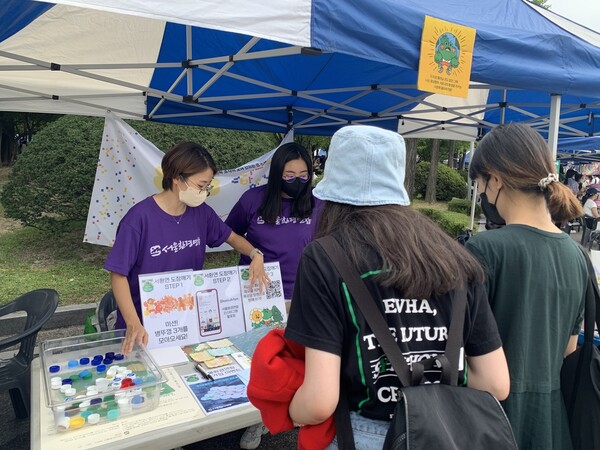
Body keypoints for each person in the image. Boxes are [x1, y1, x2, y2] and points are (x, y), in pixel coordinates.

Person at [284, 125, 509, 449]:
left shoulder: (324, 256)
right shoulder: (453, 257)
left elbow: (319, 401)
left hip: (366, 435)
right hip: (446, 433)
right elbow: (495, 383)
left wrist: (290, 411)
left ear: (332, 193)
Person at [465, 123, 586, 450]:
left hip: (490, 421)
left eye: (480, 183)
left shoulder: (485, 249)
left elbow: (459, 350)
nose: (482, 194)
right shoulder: (577, 256)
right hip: (551, 422)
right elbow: (568, 350)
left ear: (496, 179)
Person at [104, 141, 270, 354]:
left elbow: (234, 238)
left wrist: (255, 254)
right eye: (201, 185)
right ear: (176, 178)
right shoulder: (138, 219)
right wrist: (133, 322)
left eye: (207, 186)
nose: (204, 192)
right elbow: (118, 275)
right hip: (142, 326)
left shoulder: (202, 213)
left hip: (185, 322)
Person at [226, 142, 321, 449]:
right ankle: (253, 418)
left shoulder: (317, 203)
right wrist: (253, 253)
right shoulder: (253, 200)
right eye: (290, 174)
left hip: (303, 295)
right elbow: (231, 234)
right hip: (259, 296)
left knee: (295, 361)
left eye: (304, 174)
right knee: (257, 360)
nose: (297, 180)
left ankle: (279, 416)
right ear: (277, 173)